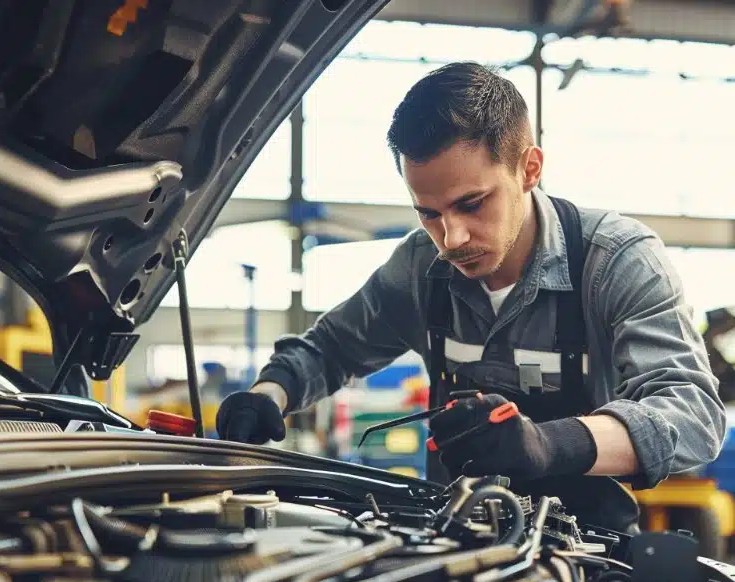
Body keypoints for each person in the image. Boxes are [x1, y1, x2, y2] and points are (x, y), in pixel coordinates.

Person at [215, 61, 726, 529]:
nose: (451, 238)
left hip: (586, 553)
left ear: (529, 169)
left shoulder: (614, 261)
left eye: (472, 203)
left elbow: (691, 412)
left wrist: (548, 444)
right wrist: (269, 395)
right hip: (449, 541)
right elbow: (330, 348)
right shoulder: (420, 267)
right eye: (429, 213)